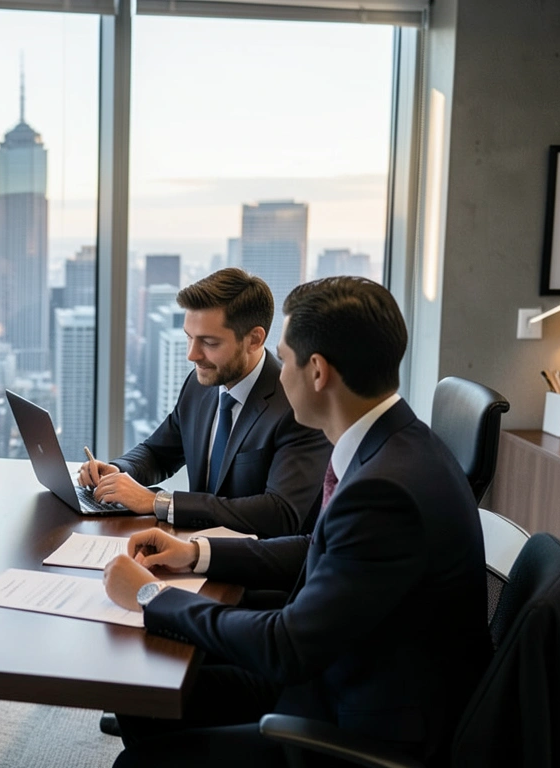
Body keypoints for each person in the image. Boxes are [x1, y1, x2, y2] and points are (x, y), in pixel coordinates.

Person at [102, 276, 491, 767]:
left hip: (355, 721)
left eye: (284, 359)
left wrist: (150, 596)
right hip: (339, 668)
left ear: (318, 373)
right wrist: (195, 553)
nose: (278, 374)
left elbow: (286, 647)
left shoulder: (384, 490)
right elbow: (316, 547)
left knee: (138, 760)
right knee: (144, 694)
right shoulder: (398, 445)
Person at [78, 268, 329, 537]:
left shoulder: (296, 406)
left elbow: (280, 513)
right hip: (188, 550)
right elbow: (158, 453)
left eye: (209, 342)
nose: (192, 355)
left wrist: (159, 502)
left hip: (253, 568)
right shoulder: (200, 385)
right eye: (189, 337)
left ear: (254, 339)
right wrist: (117, 471)